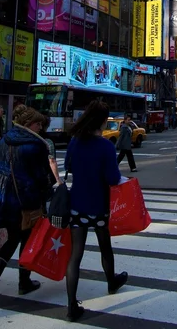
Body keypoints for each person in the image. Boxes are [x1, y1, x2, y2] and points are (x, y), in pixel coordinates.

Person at [65, 101, 128, 322]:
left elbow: (69, 167)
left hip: (77, 203)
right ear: (103, 120)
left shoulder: (75, 142)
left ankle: (72, 305)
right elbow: (112, 178)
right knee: (105, 246)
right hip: (99, 205)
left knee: (75, 254)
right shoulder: (106, 146)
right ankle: (111, 282)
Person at [0, 107, 51, 294]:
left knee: (10, 240)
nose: (40, 127)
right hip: (27, 200)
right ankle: (24, 282)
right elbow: (41, 177)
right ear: (29, 125)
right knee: (28, 240)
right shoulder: (35, 145)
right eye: (38, 124)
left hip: (5, 198)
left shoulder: (4, 140)